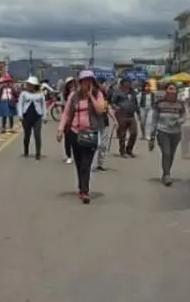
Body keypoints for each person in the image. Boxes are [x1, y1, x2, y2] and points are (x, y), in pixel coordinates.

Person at [57, 70, 107, 203]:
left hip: (90, 133)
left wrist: (91, 96)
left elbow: (100, 110)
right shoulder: (73, 96)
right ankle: (81, 186)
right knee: (79, 163)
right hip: (74, 133)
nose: (87, 84)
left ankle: (85, 191)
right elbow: (66, 113)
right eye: (84, 81)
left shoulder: (98, 94)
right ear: (80, 83)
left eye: (89, 81)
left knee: (87, 162)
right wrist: (61, 129)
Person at [149, 82, 186, 186]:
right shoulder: (159, 103)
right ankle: (167, 175)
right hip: (162, 132)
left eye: (173, 89)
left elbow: (184, 116)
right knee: (166, 153)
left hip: (176, 133)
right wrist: (151, 135)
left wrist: (179, 121)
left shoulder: (180, 103)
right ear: (166, 91)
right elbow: (154, 119)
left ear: (176, 91)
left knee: (171, 155)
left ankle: (166, 172)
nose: (171, 91)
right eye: (170, 89)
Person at [110, 79, 140, 157]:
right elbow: (112, 102)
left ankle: (129, 149)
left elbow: (135, 103)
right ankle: (122, 151)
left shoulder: (133, 92)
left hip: (131, 115)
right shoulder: (118, 92)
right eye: (126, 83)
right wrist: (116, 107)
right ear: (122, 84)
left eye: (129, 83)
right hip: (121, 115)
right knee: (122, 134)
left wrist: (138, 113)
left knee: (134, 133)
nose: (128, 84)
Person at [18, 76, 46, 159]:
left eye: (31, 84)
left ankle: (38, 153)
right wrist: (20, 115)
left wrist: (44, 116)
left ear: (35, 85)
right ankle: (26, 150)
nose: (29, 86)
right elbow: (20, 104)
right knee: (27, 135)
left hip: (37, 116)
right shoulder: (24, 93)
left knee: (37, 135)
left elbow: (43, 105)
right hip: (26, 116)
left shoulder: (40, 94)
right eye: (28, 84)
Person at [60, 77, 77, 164]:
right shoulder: (65, 95)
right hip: (67, 118)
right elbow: (63, 108)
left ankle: (76, 155)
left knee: (75, 139)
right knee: (67, 138)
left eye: (73, 84)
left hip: (76, 119)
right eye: (70, 84)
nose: (72, 86)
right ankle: (68, 155)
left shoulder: (78, 94)